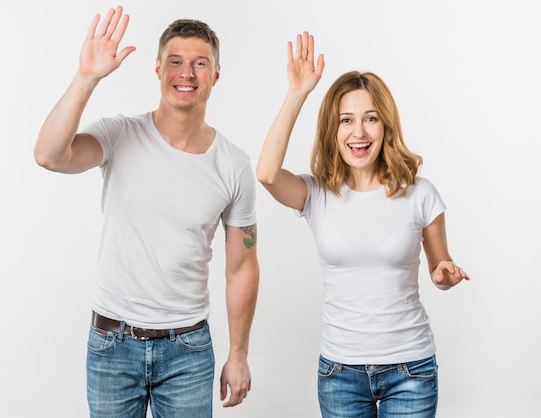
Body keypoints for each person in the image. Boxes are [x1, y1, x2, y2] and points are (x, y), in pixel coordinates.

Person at [34, 6, 259, 417]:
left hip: (188, 351)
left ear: (216, 74)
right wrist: (87, 77)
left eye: (199, 64)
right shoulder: (119, 134)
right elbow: (49, 155)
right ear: (157, 69)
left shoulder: (234, 165)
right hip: (111, 345)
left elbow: (241, 266)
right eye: (175, 61)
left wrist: (239, 354)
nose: (186, 73)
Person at [256, 32, 469, 418]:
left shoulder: (420, 194)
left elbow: (440, 270)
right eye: (346, 120)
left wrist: (444, 273)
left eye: (370, 119)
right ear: (332, 130)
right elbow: (268, 174)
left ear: (385, 125)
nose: (359, 132)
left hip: (411, 370)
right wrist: (297, 93)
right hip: (340, 373)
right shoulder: (316, 193)